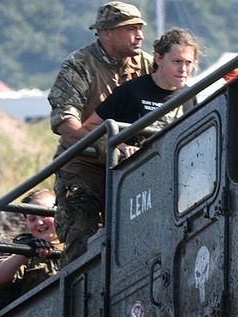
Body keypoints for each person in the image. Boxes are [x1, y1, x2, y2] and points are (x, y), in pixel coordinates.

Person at [47, 2, 153, 261]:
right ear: (106, 33)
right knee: (80, 238)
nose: (139, 35)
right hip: (86, 168)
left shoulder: (149, 65)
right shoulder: (79, 65)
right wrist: (110, 146)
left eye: (140, 28)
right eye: (130, 29)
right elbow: (66, 123)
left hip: (137, 166)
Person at [94, 26, 200, 141]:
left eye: (188, 63)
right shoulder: (132, 90)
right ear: (158, 59)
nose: (183, 69)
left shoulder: (189, 96)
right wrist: (118, 146)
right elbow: (92, 126)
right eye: (177, 61)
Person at [0, 188, 62, 312]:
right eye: (32, 219)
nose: (39, 222)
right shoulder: (23, 245)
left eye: (45, 213)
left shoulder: (78, 240)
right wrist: (26, 252)